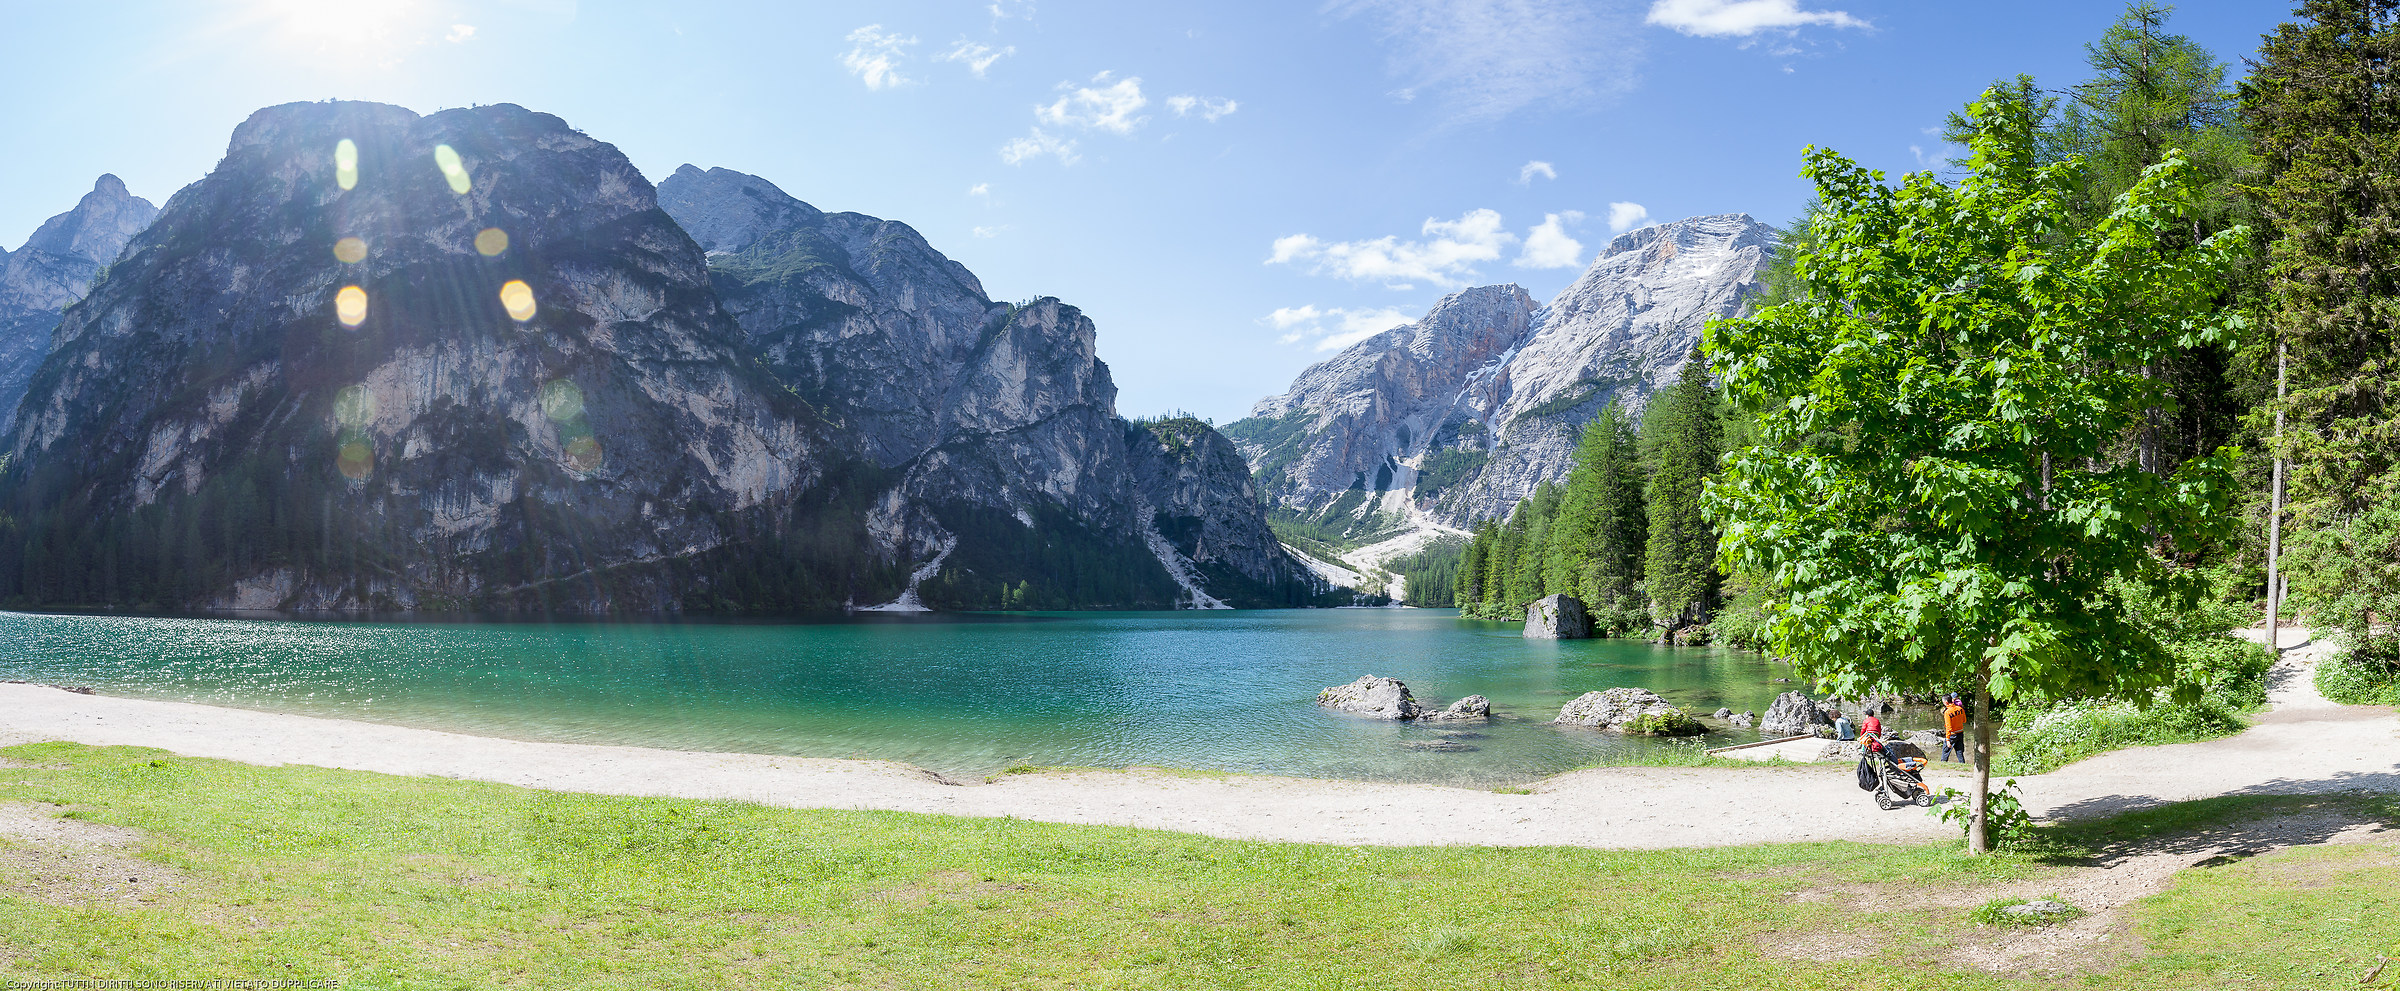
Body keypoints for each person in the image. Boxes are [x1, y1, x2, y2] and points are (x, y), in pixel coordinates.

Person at [1941, 694, 1968, 763]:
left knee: (1945, 752)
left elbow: (1948, 727)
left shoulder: (1947, 712)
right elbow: (1964, 720)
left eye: (1943, 702)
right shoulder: (1960, 709)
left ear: (1946, 702)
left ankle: (1943, 765)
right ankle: (1962, 765)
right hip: (1960, 733)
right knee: (1959, 752)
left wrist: (1947, 739)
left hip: (1952, 734)